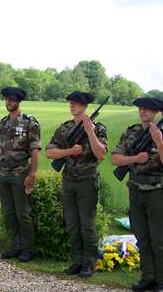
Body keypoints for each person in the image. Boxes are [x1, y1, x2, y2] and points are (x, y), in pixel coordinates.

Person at [46, 91, 107, 278]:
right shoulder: (65, 128)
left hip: (87, 181)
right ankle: (77, 261)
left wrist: (90, 132)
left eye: (76, 103)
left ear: (85, 106)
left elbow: (102, 154)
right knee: (72, 223)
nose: (72, 106)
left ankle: (89, 263)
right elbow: (50, 153)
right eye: (70, 103)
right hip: (68, 180)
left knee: (87, 224)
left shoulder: (97, 128)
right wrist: (70, 151)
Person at [111, 97, 163, 292]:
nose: (143, 111)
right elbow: (115, 159)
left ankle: (161, 280)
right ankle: (148, 277)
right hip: (135, 189)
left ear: (156, 112)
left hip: (157, 190)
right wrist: (135, 158)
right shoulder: (131, 132)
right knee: (141, 236)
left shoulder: (161, 132)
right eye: (140, 108)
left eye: (148, 109)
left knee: (158, 238)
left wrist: (159, 141)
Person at [0, 87, 41, 262]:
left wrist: (32, 174)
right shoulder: (3, 123)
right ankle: (15, 246)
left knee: (23, 213)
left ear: (18, 102)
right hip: (4, 173)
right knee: (9, 212)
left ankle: (28, 249)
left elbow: (35, 150)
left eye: (12, 100)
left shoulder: (30, 122)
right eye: (7, 100)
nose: (9, 103)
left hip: (20, 173)